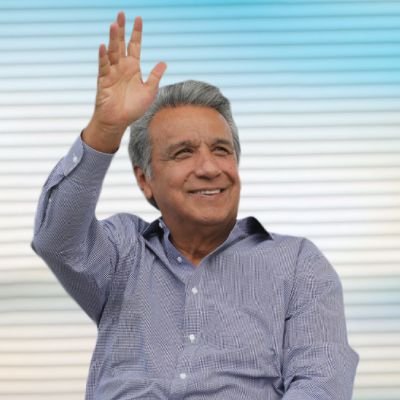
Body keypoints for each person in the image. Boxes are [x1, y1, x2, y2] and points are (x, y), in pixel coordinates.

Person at [32, 11, 359, 400]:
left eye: (221, 150)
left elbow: (321, 383)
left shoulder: (297, 264)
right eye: (183, 152)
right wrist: (105, 129)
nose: (208, 168)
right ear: (145, 180)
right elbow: (57, 239)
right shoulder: (123, 252)